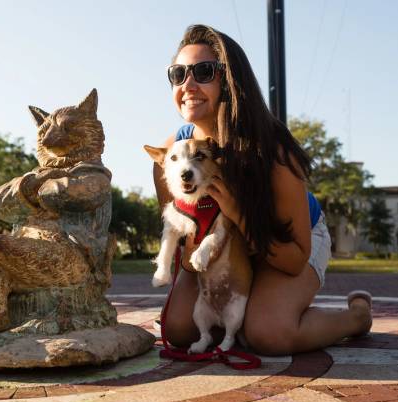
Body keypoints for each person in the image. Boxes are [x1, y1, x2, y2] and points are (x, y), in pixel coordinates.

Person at [152, 24, 373, 356]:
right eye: (179, 74)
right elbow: (184, 243)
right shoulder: (170, 154)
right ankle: (246, 311)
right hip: (226, 245)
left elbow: (294, 259)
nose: (188, 85)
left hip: (288, 243)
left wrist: (237, 214)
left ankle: (357, 316)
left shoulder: (274, 153)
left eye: (203, 72)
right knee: (180, 328)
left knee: (269, 333)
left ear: (229, 81)